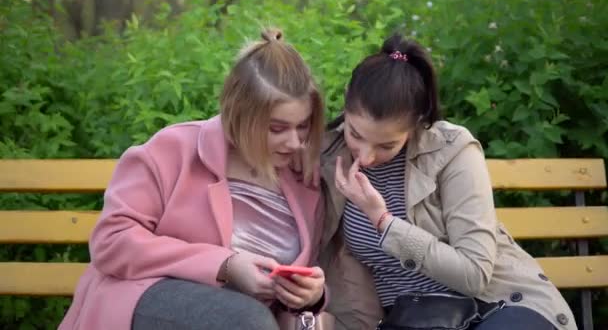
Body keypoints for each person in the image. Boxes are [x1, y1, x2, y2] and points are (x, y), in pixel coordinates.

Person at [59, 28, 329, 330]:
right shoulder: (172, 150)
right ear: (238, 115)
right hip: (147, 299)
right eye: (277, 129)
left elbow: (308, 274)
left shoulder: (305, 179)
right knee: (244, 320)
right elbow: (111, 241)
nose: (294, 142)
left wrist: (312, 296)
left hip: (254, 319)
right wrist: (225, 264)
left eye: (302, 126)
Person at [318, 34, 577, 330]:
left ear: (416, 122)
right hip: (411, 320)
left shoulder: (452, 150)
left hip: (496, 308)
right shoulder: (326, 153)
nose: (365, 156)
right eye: (356, 134)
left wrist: (384, 222)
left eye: (386, 146)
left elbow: (475, 274)